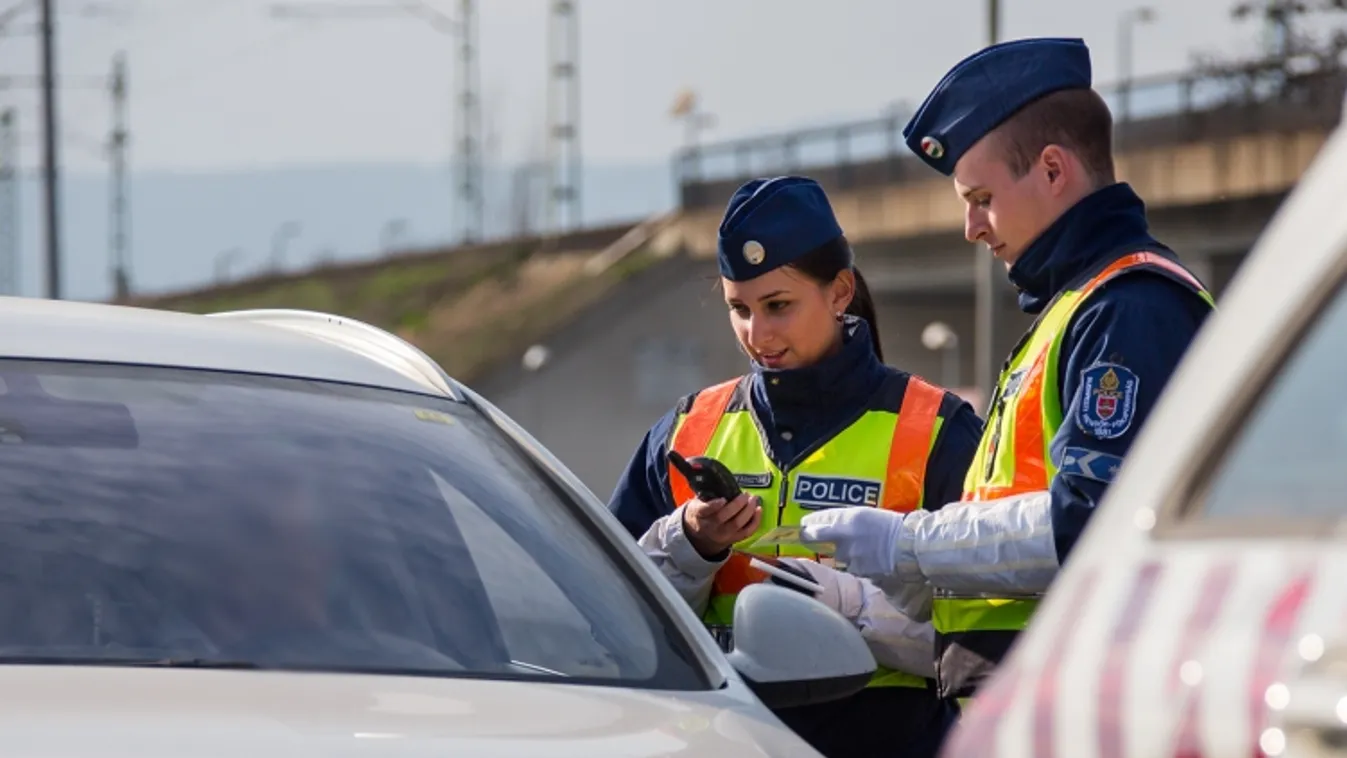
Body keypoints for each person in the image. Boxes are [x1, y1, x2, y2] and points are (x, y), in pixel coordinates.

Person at [798, 37, 1217, 700]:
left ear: (1053, 170)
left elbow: (1090, 522)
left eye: (981, 197)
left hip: (1076, 704)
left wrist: (911, 546)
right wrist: (902, 594)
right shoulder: (1080, 306)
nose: (970, 227)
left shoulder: (1126, 309)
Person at [607, 175, 986, 758]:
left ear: (839, 292)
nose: (757, 335)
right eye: (739, 309)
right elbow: (614, 620)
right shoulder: (687, 430)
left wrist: (859, 612)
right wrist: (688, 544)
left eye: (778, 306)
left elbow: (987, 639)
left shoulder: (938, 430)